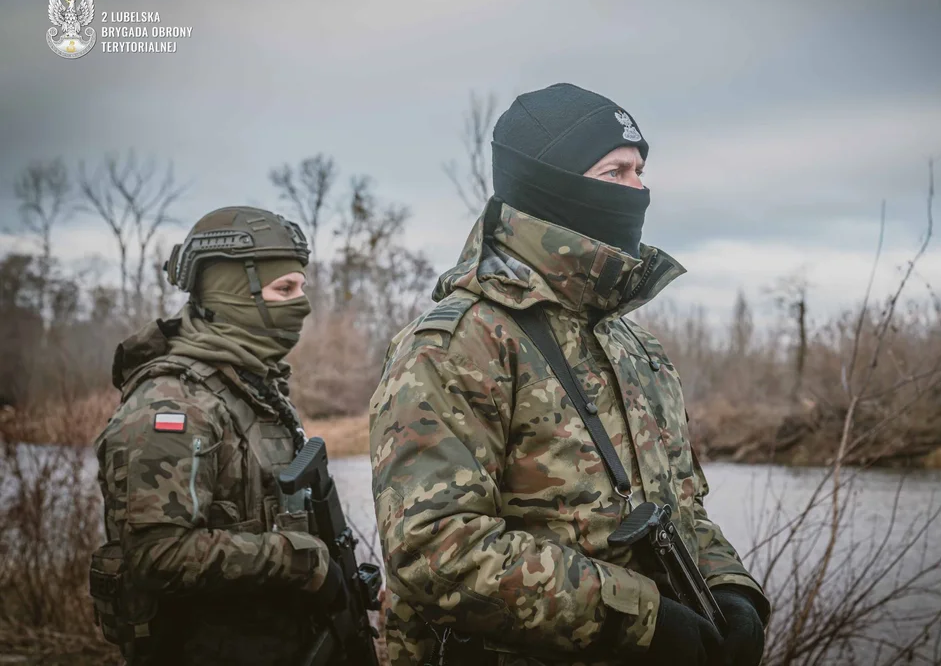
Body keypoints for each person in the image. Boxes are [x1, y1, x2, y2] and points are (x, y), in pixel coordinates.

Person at [370, 83, 770, 666]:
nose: (641, 189)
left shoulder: (635, 347)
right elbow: (435, 549)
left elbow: (682, 511)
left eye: (641, 170)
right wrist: (634, 619)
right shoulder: (460, 344)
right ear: (552, 185)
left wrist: (731, 591)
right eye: (617, 171)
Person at [89, 207, 347, 665]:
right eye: (284, 289)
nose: (302, 304)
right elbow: (157, 554)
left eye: (302, 287)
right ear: (234, 294)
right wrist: (294, 558)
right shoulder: (173, 405)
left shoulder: (252, 389)